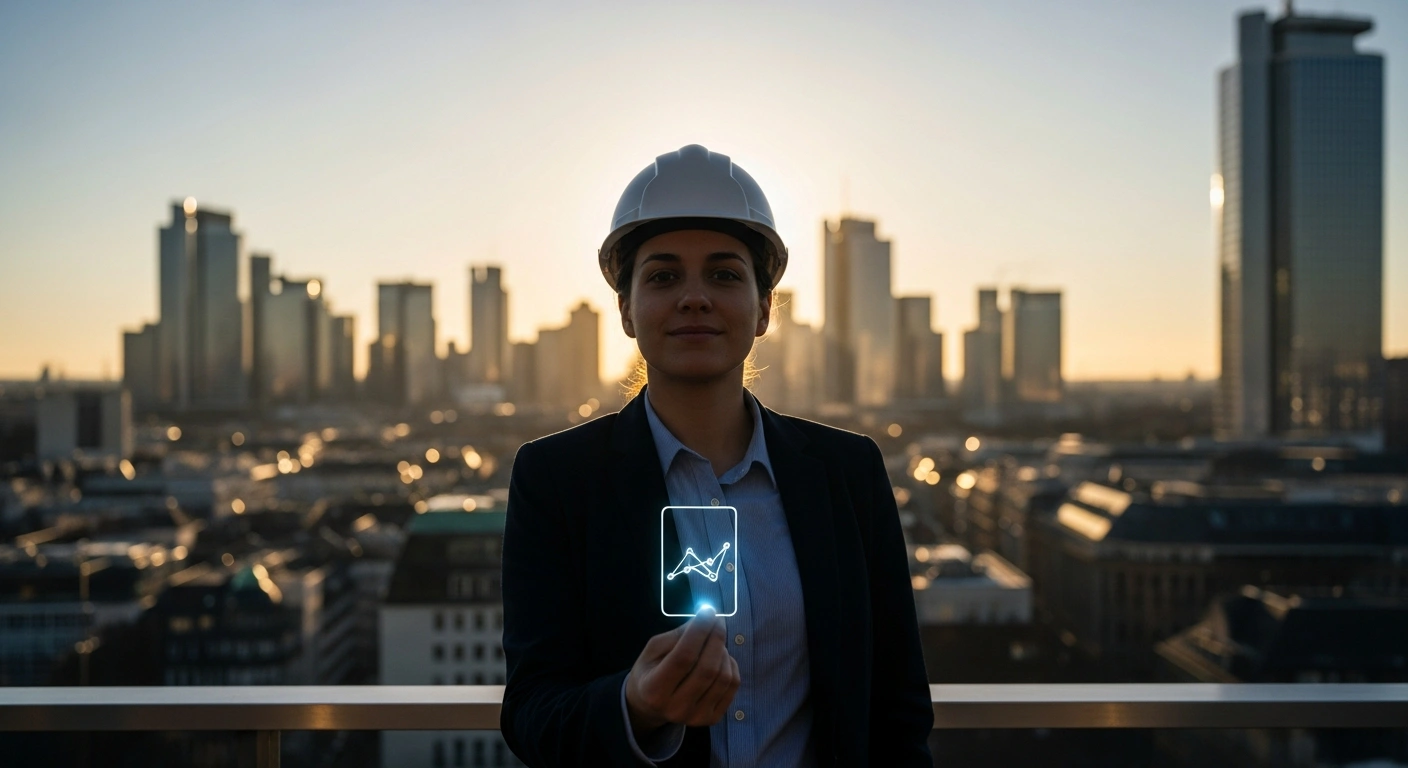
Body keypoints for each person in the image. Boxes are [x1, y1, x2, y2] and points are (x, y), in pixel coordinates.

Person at [501, 144, 933, 767]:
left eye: (725, 274)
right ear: (625, 310)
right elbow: (533, 711)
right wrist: (635, 706)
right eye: (663, 276)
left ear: (763, 311)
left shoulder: (848, 473)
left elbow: (897, 705)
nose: (694, 297)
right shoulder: (556, 481)